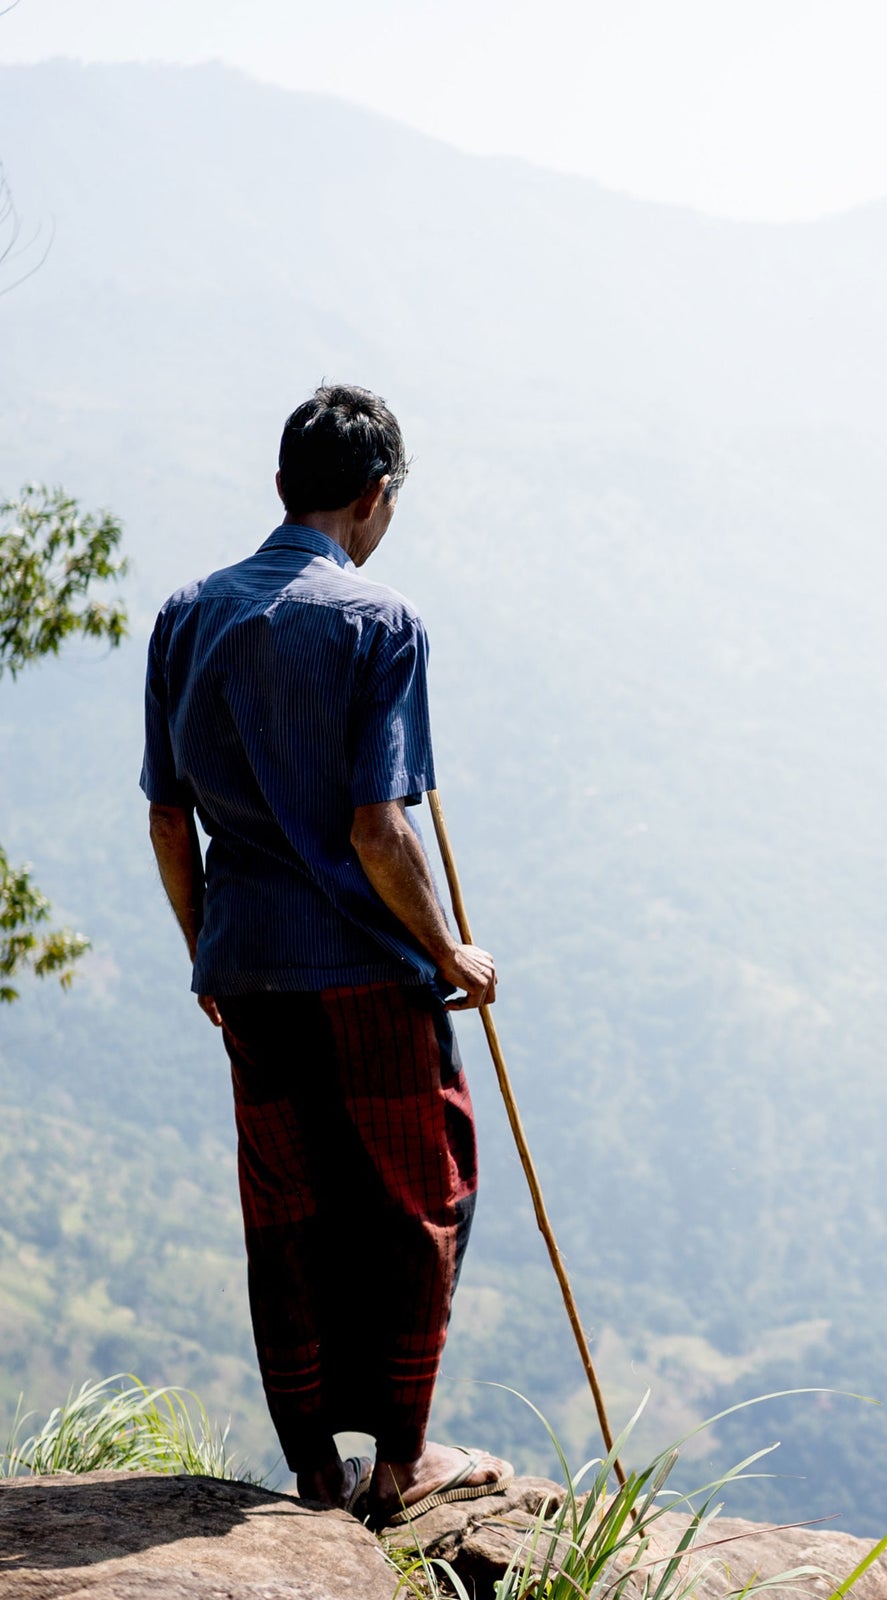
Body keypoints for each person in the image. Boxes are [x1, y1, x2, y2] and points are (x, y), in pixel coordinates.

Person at [142, 384, 512, 1520]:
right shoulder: (380, 624)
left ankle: (312, 1469)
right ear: (377, 496)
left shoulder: (186, 612)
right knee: (421, 1196)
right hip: (362, 972)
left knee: (287, 1210)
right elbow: (376, 828)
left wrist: (209, 949)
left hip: (247, 968)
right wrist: (450, 949)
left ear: (279, 489)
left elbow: (169, 815)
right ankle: (397, 1464)